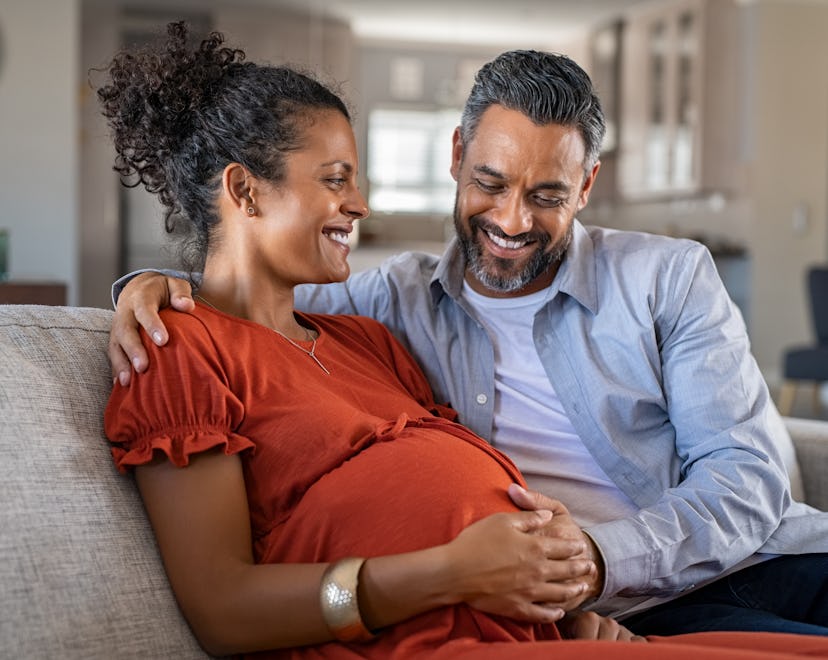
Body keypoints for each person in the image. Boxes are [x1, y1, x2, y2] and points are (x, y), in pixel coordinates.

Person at [103, 26, 828, 653]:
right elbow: (249, 285)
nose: (512, 220)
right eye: (490, 182)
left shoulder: (666, 277)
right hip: (612, 617)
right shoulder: (390, 300)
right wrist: (149, 284)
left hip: (752, 560)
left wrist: (598, 558)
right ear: (456, 155)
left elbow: (747, 477)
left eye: (547, 195)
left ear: (587, 185)